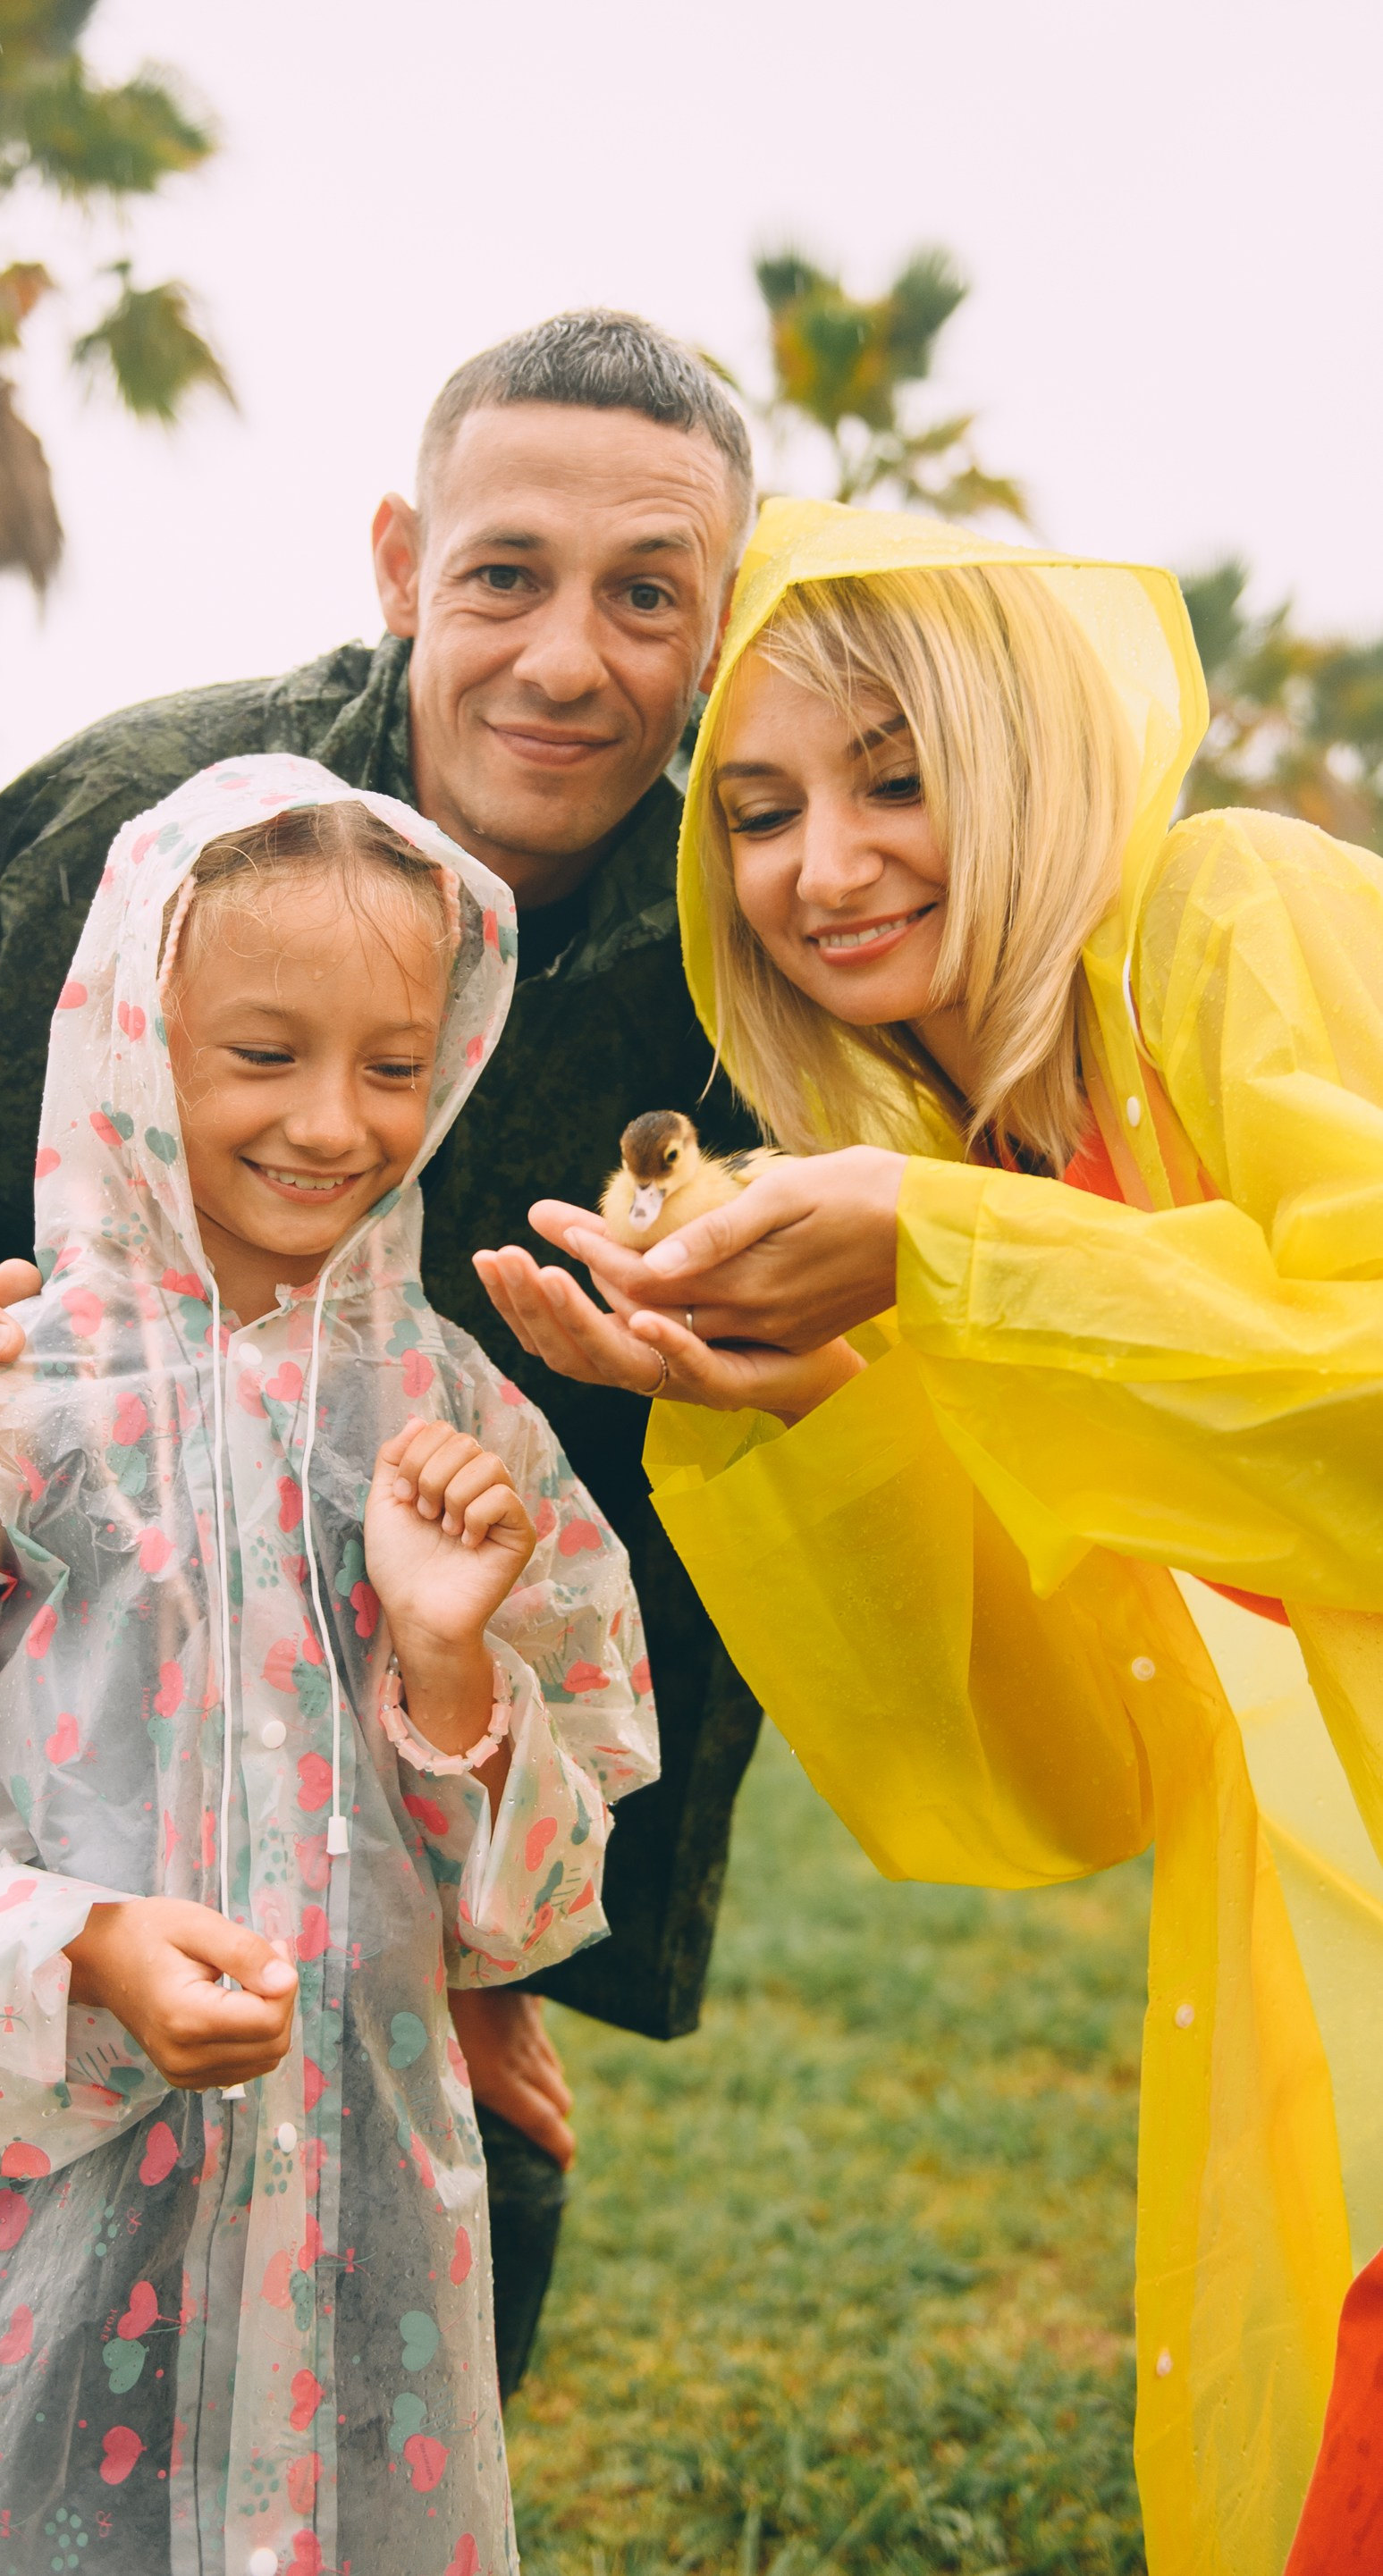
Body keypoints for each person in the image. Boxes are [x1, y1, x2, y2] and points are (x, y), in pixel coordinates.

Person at [0, 308, 763, 2570]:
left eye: (646, 593)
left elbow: (650, 1515)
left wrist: (500, 1946)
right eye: (504, 574)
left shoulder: (734, 938)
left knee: (405, 2278)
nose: (565, 655)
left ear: (719, 618)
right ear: (401, 563)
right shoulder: (138, 819)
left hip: (402, 1780)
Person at [475, 497, 1383, 2575]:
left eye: (898, 780)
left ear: (1029, 759)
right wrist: (795, 1401)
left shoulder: (1230, 909)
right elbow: (1062, 1772)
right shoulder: (939, 1160)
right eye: (761, 812)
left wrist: (944, 1252)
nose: (824, 868)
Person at [0, 755, 658, 2576]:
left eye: (393, 1064)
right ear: (134, 1043)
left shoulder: (450, 1410)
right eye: (263, 1052)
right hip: (62, 2201)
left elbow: (535, 1886)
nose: (334, 1120)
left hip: (362, 2205)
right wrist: (79, 1944)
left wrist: (451, 1664)